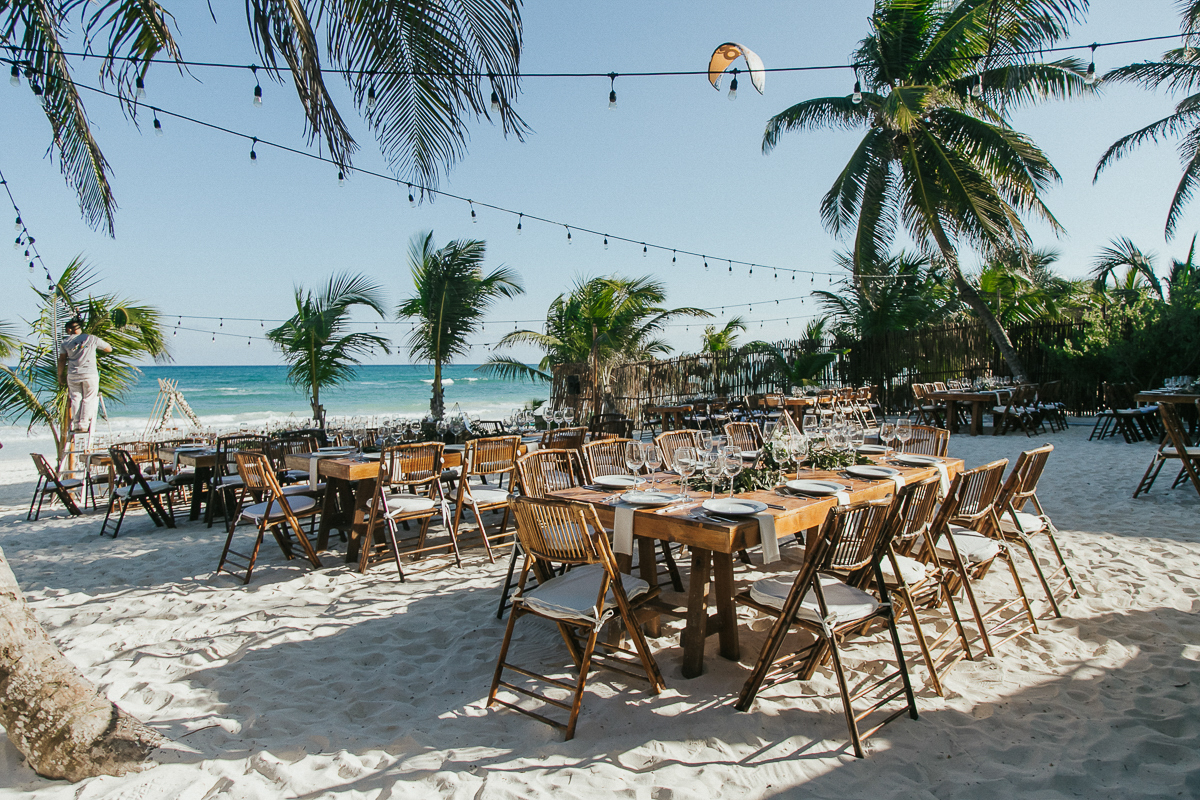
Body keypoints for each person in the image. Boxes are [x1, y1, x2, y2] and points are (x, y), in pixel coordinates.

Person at [57, 316, 111, 434]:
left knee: (76, 398)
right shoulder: (91, 338)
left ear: (68, 330)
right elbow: (108, 349)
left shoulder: (65, 342)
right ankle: (84, 424)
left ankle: (76, 424)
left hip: (73, 374)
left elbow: (61, 360)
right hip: (90, 373)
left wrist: (60, 376)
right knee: (88, 398)